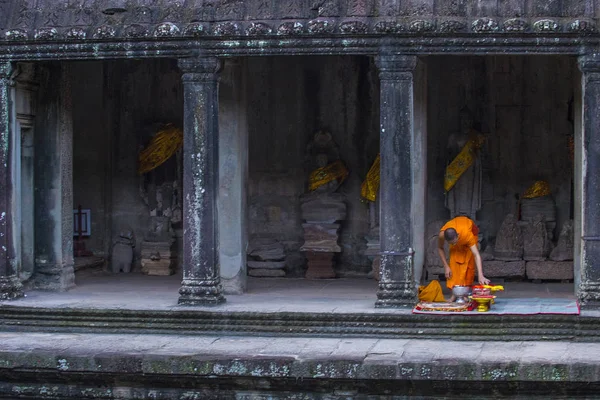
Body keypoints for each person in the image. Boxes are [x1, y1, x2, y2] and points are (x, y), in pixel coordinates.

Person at [438, 216, 490, 302]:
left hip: (470, 237)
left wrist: (481, 275)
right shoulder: (442, 235)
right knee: (453, 265)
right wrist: (446, 266)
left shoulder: (467, 235)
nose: (453, 244)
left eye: (454, 242)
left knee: (468, 265)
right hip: (457, 238)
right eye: (451, 243)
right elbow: (440, 248)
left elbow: (476, 254)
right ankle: (454, 295)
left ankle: (465, 294)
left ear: (457, 235)